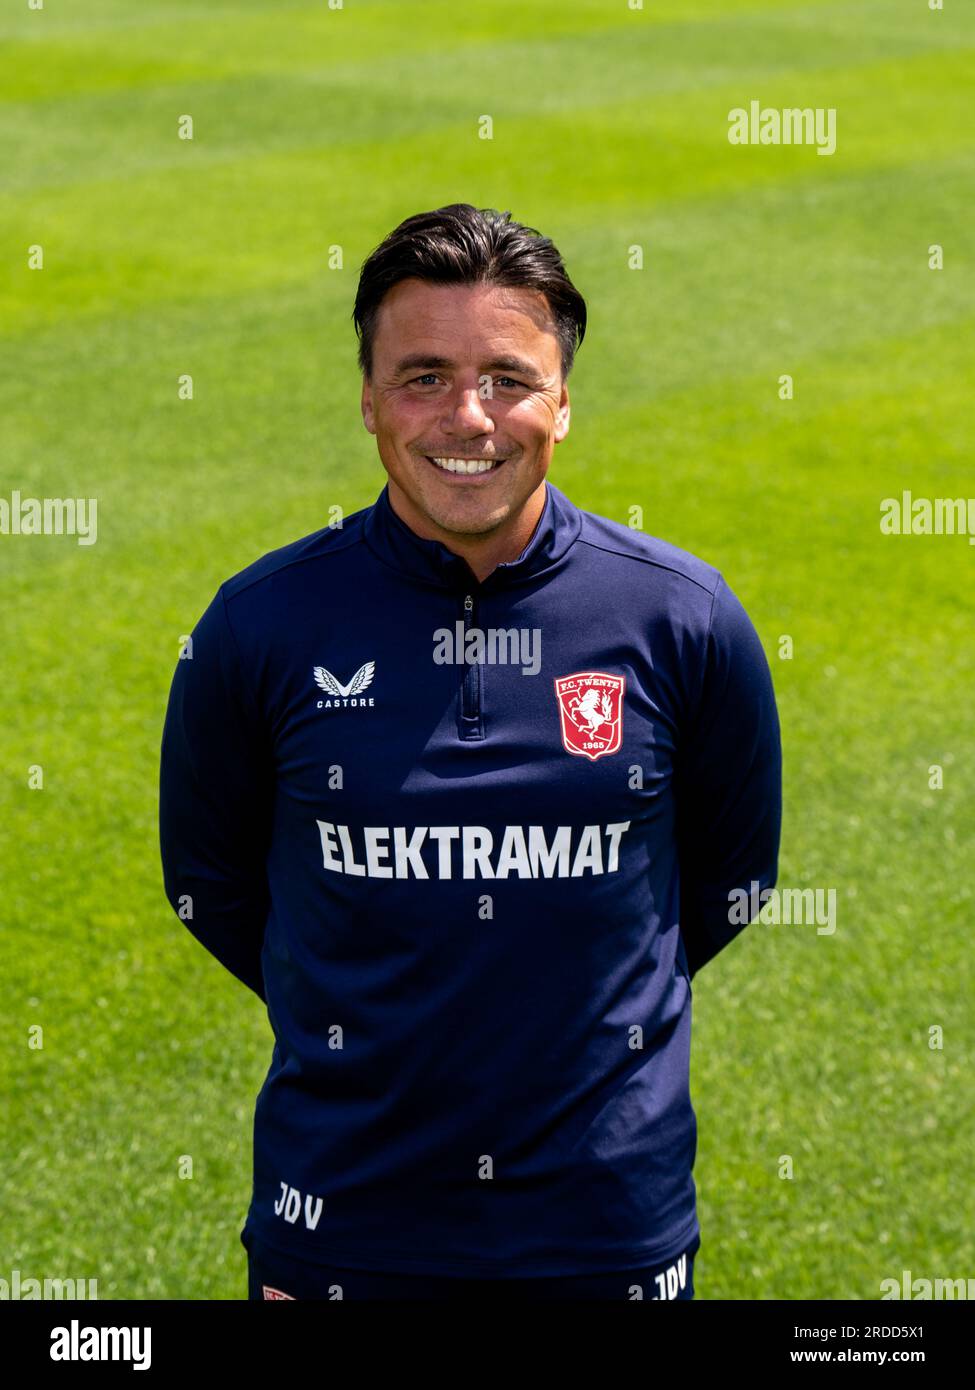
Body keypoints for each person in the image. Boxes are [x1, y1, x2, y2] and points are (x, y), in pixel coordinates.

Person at [159, 203, 782, 1301]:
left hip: (604, 1220)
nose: (469, 416)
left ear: (564, 401)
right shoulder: (261, 624)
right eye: (423, 376)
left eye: (508, 377)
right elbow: (210, 885)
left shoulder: (682, 618)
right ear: (366, 398)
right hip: (344, 1216)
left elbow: (731, 880)